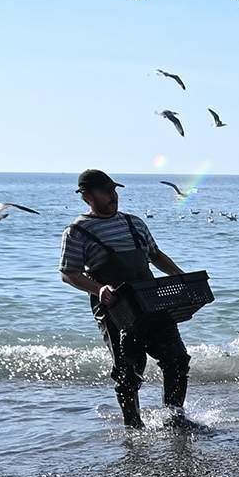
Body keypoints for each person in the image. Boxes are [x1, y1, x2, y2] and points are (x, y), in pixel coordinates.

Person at [59, 169, 192, 429]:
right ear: (87, 196)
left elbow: (154, 254)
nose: (113, 195)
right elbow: (69, 273)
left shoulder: (134, 223)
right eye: (106, 191)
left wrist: (178, 274)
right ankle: (133, 426)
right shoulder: (76, 231)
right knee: (128, 370)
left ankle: (175, 419)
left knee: (177, 360)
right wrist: (98, 289)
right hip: (114, 308)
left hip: (152, 302)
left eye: (114, 189)